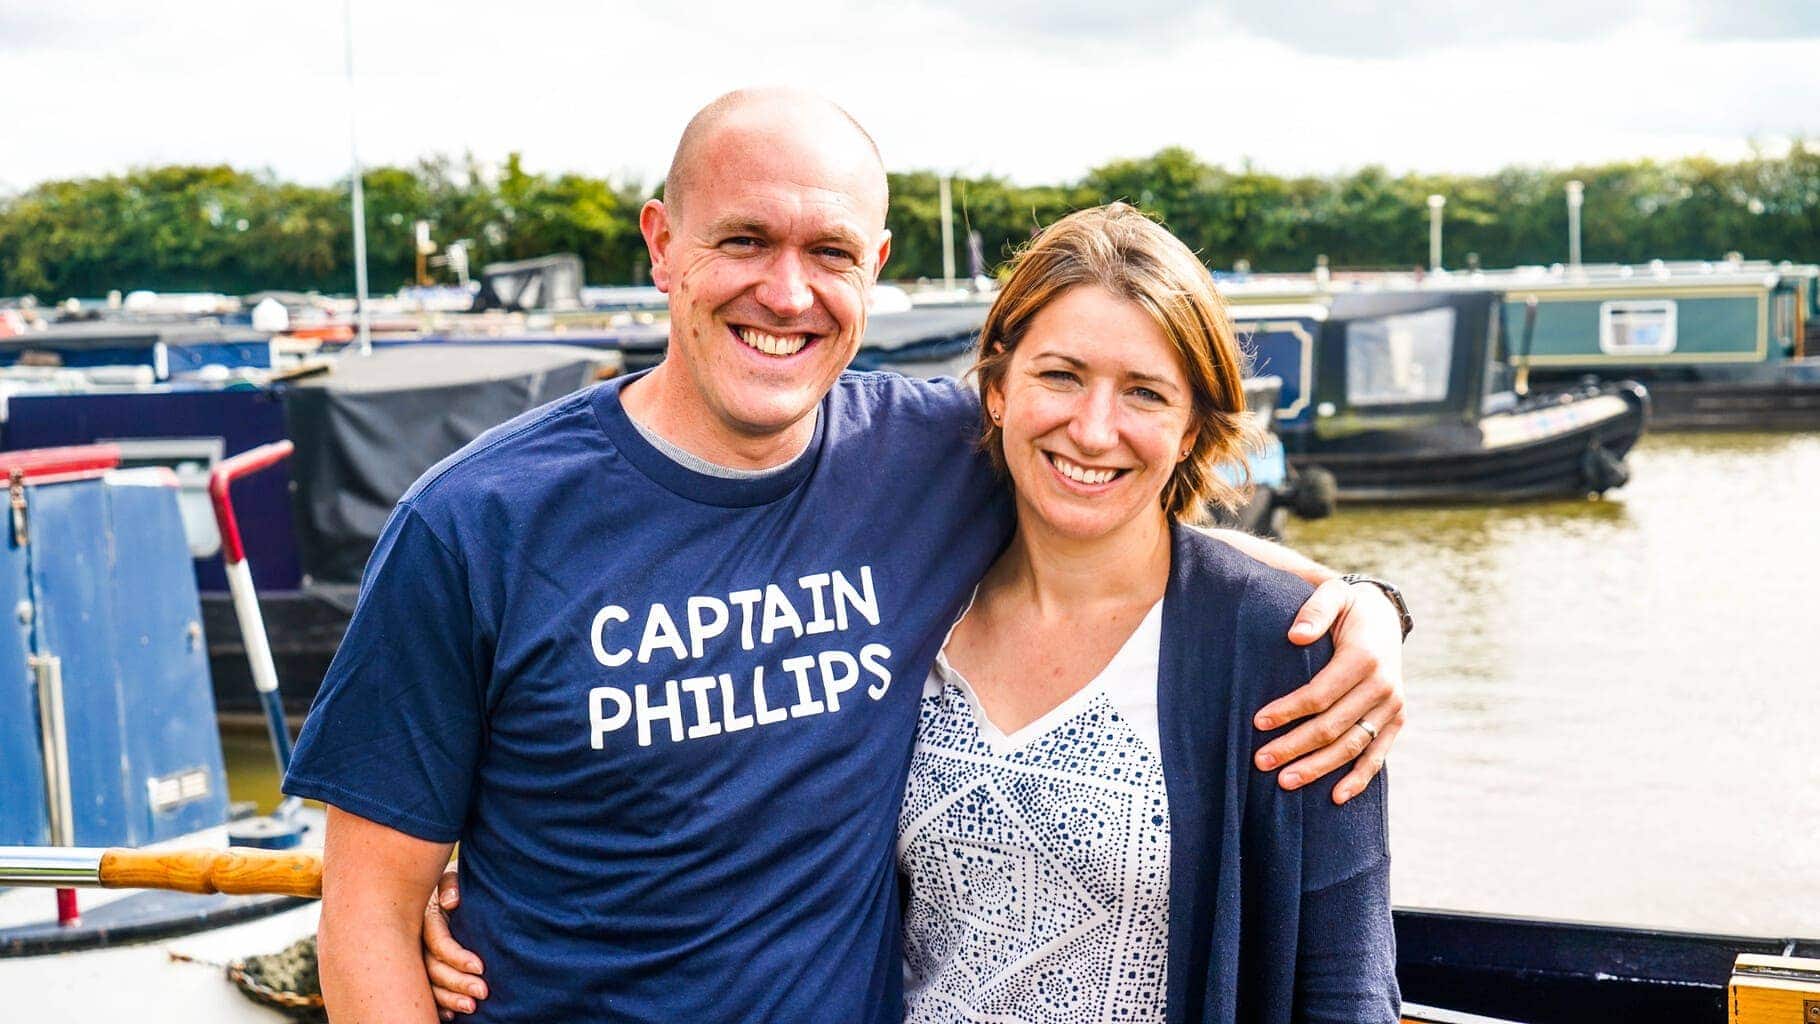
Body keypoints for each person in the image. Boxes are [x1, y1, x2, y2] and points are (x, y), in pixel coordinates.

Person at [286, 88, 1408, 1024]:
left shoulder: (923, 454)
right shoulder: (473, 524)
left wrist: (1366, 607)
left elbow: (1108, 494)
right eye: (743, 239)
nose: (785, 292)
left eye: (827, 251)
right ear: (662, 244)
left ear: (873, 265)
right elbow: (368, 919)